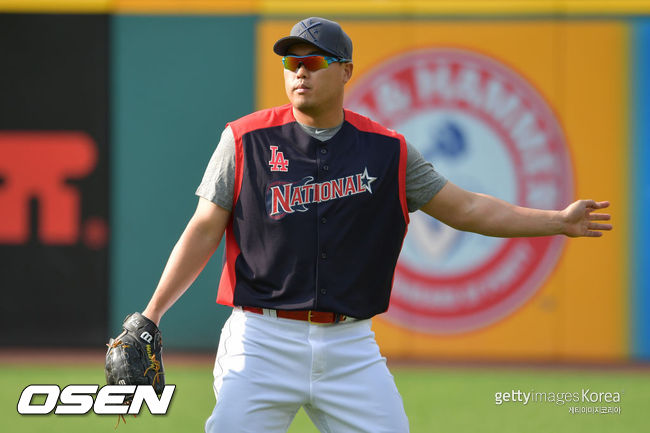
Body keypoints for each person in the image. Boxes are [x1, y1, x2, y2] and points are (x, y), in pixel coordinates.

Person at [140, 17, 612, 433]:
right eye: (291, 63)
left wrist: (558, 221)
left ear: (346, 70)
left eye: (315, 61)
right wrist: (151, 315)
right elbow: (203, 228)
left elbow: (466, 209)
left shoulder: (388, 151)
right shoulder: (246, 139)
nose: (300, 71)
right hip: (262, 341)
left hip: (350, 346)